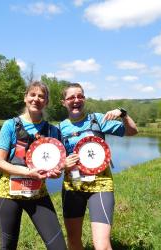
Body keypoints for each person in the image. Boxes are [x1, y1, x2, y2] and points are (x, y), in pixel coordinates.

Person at [59, 83, 138, 250]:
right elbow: (54, 163)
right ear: (63, 102)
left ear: (84, 99)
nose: (76, 100)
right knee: (73, 241)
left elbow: (132, 131)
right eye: (71, 97)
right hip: (72, 186)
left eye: (80, 96)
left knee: (101, 245)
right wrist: (63, 164)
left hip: (100, 185)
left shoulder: (98, 119)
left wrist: (123, 114)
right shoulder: (59, 128)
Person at [0, 81, 67, 250]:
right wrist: (28, 172)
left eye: (41, 96)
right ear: (25, 98)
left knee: (58, 246)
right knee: (8, 246)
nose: (36, 99)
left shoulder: (53, 131)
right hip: (8, 194)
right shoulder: (10, 125)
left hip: (38, 194)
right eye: (32, 95)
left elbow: (57, 166)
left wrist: (56, 172)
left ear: (46, 101)